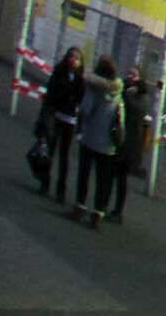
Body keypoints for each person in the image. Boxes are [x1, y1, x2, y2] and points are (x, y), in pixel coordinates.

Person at [72, 58, 124, 230]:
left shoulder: (92, 88)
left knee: (84, 174)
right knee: (104, 180)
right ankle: (98, 213)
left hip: (90, 137)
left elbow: (86, 110)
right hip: (109, 143)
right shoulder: (118, 89)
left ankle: (80, 206)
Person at [106, 67, 155, 222]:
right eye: (129, 73)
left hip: (129, 143)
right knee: (109, 175)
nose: (129, 76)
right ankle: (103, 205)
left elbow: (137, 110)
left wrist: (126, 95)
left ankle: (117, 211)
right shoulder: (124, 91)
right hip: (119, 138)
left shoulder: (141, 96)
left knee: (121, 178)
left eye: (133, 75)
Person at [38, 47, 85, 197]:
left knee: (64, 155)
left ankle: (61, 190)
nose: (73, 60)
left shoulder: (80, 78)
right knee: (50, 151)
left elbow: (81, 98)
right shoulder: (60, 72)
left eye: (77, 58)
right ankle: (45, 182)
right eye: (71, 57)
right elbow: (51, 92)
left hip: (70, 118)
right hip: (56, 114)